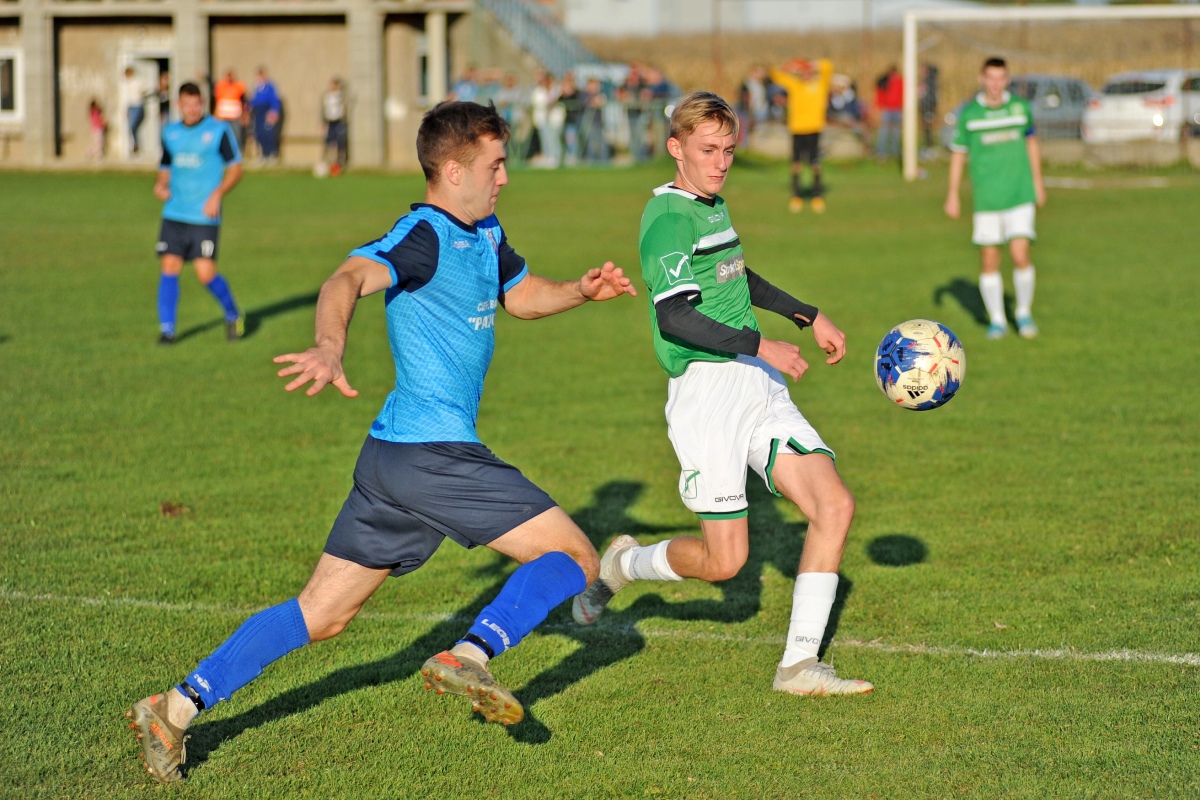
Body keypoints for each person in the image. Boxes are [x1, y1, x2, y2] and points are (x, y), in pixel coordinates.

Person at [126, 100, 638, 784]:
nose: (505, 178)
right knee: (575, 557)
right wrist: (329, 346)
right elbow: (346, 278)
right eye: (495, 165)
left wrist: (579, 290)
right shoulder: (422, 234)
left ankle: (173, 708)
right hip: (435, 454)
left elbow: (519, 296)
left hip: (393, 460)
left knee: (322, 614)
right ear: (453, 170)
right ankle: (471, 655)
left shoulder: (485, 231)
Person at [572, 91, 873, 698]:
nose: (721, 163)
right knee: (725, 563)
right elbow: (676, 317)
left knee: (834, 506)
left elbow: (735, 273)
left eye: (729, 150)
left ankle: (798, 666)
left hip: (756, 383)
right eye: (708, 150)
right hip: (707, 394)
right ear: (676, 148)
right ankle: (625, 564)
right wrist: (762, 346)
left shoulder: (710, 206)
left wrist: (806, 314)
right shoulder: (667, 219)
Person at [944, 57, 1046, 340]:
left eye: (1001, 78)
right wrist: (952, 194)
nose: (995, 84)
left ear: (1007, 79)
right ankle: (998, 320)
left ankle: (1023, 313)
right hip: (987, 199)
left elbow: (1031, 143)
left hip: (1019, 193)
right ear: (982, 79)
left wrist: (1038, 182)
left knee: (1020, 254)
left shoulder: (1020, 108)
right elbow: (958, 154)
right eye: (991, 78)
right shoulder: (970, 114)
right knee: (989, 260)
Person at [152, 82, 245, 345]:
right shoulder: (170, 132)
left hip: (204, 215)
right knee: (169, 266)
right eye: (186, 105)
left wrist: (218, 194)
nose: (192, 110)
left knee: (205, 274)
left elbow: (236, 168)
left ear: (202, 104)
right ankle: (167, 330)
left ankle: (233, 314)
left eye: (196, 104)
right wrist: (161, 184)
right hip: (174, 212)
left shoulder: (218, 130)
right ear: (179, 105)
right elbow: (165, 166)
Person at [770, 58, 833, 213]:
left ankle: (817, 196)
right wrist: (791, 65)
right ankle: (797, 196)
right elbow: (775, 74)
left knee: (815, 164)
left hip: (814, 129)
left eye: (808, 72)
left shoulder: (819, 84)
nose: (806, 75)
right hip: (797, 129)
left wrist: (810, 64)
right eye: (803, 72)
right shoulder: (794, 85)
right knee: (796, 164)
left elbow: (828, 67)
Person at [250, 66, 282, 163]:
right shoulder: (256, 87)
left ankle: (271, 154)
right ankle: (263, 154)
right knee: (259, 133)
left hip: (267, 111)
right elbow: (253, 100)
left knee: (268, 133)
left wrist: (274, 111)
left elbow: (274, 100)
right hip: (257, 113)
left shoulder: (270, 87)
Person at [213, 68, 248, 153]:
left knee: (236, 136)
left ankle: (237, 153)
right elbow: (215, 101)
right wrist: (215, 114)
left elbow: (244, 101)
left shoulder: (238, 86)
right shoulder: (220, 86)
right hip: (222, 117)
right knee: (221, 136)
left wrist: (245, 114)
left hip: (235, 116)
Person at [874, 65, 903, 161]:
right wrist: (878, 107)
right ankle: (881, 151)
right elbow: (880, 94)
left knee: (896, 131)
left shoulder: (901, 81)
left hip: (898, 110)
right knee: (884, 131)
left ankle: (894, 151)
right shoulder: (884, 81)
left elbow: (903, 95)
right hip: (886, 109)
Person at [321, 76, 348, 175]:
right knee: (329, 143)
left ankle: (340, 163)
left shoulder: (341, 96)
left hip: (339, 121)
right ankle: (329, 162)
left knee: (340, 142)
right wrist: (323, 122)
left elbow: (345, 108)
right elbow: (323, 110)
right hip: (330, 122)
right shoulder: (326, 96)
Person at [120, 66, 150, 156]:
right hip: (131, 106)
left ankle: (137, 145)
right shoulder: (126, 84)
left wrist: (141, 95)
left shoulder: (138, 80)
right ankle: (135, 145)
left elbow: (146, 89)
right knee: (131, 127)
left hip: (137, 105)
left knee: (133, 126)